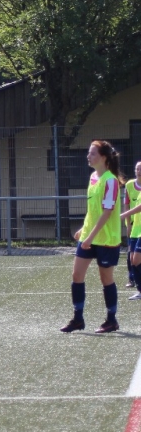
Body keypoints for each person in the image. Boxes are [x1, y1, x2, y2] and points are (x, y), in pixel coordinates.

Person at [60, 140, 124, 333]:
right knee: (76, 275)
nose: (88, 156)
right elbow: (93, 210)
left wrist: (90, 237)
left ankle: (111, 320)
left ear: (103, 157)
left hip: (106, 239)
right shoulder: (93, 177)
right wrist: (83, 230)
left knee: (106, 279)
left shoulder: (111, 181)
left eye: (92, 153)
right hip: (89, 235)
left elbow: (107, 212)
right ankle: (78, 319)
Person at [124, 161, 141, 298]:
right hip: (136, 227)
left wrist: (123, 215)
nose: (139, 171)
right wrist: (128, 224)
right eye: (137, 169)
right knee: (132, 259)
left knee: (136, 259)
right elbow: (129, 205)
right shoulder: (130, 185)